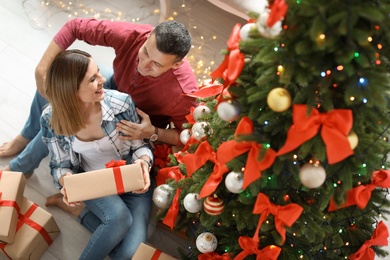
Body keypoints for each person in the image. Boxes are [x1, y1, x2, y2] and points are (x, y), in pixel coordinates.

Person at [0, 18, 198, 176]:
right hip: (111, 85)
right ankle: (27, 135)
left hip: (130, 122)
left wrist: (153, 132)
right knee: (58, 76)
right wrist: (41, 68)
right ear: (148, 37)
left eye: (156, 64)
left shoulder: (184, 93)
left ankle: (20, 168)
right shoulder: (133, 35)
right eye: (145, 52)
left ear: (176, 65)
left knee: (62, 116)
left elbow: (188, 137)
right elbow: (75, 26)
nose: (143, 64)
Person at [42, 49, 153, 259]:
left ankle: (79, 212)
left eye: (99, 72)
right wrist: (67, 182)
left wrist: (144, 164)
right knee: (119, 218)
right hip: (93, 180)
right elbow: (60, 165)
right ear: (70, 90)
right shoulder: (51, 118)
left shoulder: (121, 103)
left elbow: (140, 146)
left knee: (127, 255)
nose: (103, 79)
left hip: (131, 177)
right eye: (93, 79)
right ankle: (83, 209)